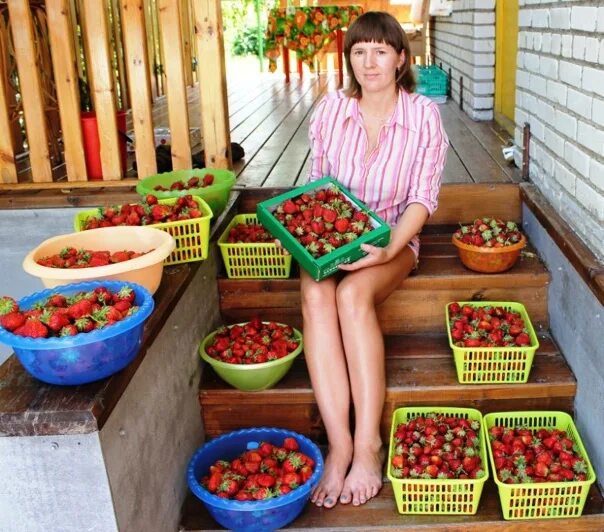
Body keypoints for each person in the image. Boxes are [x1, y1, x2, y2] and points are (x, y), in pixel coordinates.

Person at [302, 11, 449, 508]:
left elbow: (422, 200)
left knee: (352, 294)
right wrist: (319, 243)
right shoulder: (329, 111)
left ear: (401, 59)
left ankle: (367, 442)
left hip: (392, 238)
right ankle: (338, 445)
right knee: (316, 292)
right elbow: (318, 189)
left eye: (380, 51)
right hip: (332, 238)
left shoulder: (423, 115)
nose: (369, 62)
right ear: (349, 59)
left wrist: (386, 247)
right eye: (359, 51)